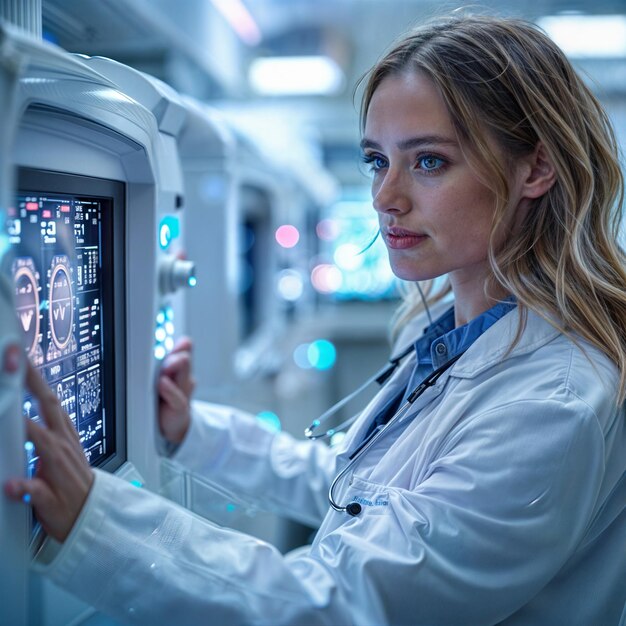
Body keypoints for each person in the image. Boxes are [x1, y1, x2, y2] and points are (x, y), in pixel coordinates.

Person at [5, 12, 626, 626]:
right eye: (377, 161)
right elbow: (358, 492)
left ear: (535, 169)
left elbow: (345, 605)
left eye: (429, 161)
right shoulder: (450, 329)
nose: (386, 197)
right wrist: (193, 430)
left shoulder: (551, 402)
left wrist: (98, 522)